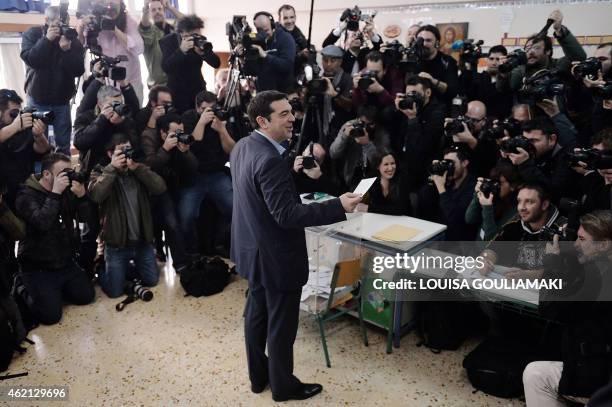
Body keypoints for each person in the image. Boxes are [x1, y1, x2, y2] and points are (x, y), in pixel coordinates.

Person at [230, 90, 361, 402]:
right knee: (281, 327)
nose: (292, 118)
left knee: (256, 317)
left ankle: (258, 377)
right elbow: (287, 214)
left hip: (252, 251)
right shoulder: (269, 160)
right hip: (276, 256)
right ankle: (284, 387)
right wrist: (337, 206)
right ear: (263, 120)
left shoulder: (243, 147)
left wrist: (291, 173)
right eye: (283, 114)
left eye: (291, 111)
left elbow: (258, 193)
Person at [523, 210, 612, 406]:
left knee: (535, 375)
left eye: (581, 239)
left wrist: (551, 264)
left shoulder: (596, 277)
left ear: (603, 245)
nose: (575, 244)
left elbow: (550, 309)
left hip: (598, 380)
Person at [15, 153, 95, 325]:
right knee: (50, 317)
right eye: (63, 173)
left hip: (64, 261)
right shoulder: (25, 195)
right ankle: (22, 284)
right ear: (46, 174)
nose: (67, 176)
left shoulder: (66, 190)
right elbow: (42, 222)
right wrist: (55, 193)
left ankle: (54, 291)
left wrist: (82, 197)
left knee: (86, 296)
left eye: (70, 171)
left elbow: (86, 219)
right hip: (37, 267)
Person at [88, 134, 167, 298]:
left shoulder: (138, 169)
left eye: (129, 149)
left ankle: (126, 271)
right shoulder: (100, 172)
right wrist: (112, 169)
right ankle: (101, 268)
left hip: (142, 242)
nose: (127, 154)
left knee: (152, 281)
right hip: (116, 245)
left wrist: (138, 168)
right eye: (121, 151)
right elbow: (96, 196)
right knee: (114, 292)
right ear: (110, 154)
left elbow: (160, 187)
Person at [20, 6, 85, 155]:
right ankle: (40, 173)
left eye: (65, 23)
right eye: (57, 24)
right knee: (37, 140)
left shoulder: (70, 38)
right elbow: (32, 60)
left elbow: (79, 70)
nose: (62, 28)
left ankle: (63, 171)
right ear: (47, 21)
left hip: (62, 101)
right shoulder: (33, 34)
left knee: (63, 143)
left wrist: (67, 51)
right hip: (37, 98)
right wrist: (47, 40)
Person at [180, 91, 235, 256]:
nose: (209, 112)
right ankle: (192, 252)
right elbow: (191, 145)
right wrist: (202, 123)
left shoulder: (220, 117)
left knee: (236, 208)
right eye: (204, 109)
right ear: (197, 108)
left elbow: (233, 150)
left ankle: (222, 243)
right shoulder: (189, 117)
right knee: (186, 216)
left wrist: (222, 130)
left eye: (212, 108)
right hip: (193, 176)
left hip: (216, 174)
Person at [480, 182, 566, 279]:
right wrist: (486, 259)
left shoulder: (563, 229)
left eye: (529, 201)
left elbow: (566, 272)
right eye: (519, 201)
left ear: (544, 204)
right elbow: (492, 248)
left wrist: (533, 275)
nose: (521, 207)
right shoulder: (515, 222)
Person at [497, 10, 586, 93]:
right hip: (528, 109)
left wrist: (560, 31)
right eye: (527, 49)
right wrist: (503, 74)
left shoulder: (559, 65)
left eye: (536, 48)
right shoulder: (521, 70)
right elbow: (504, 89)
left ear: (547, 51)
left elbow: (579, 57)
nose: (530, 52)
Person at [77, 0, 145, 104]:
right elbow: (79, 46)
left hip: (130, 83)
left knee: (132, 116)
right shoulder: (95, 20)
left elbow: (139, 48)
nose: (109, 9)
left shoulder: (128, 20)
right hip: (106, 83)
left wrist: (114, 28)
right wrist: (81, 27)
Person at [391, 76, 446, 190]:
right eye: (408, 95)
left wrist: (412, 119)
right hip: (403, 163)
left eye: (414, 94)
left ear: (428, 92)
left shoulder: (437, 113)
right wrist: (398, 110)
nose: (411, 98)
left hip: (424, 169)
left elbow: (424, 147)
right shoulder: (408, 107)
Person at [0, 89, 51, 208]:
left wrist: (39, 135)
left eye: (19, 112)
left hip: (25, 189)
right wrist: (14, 127)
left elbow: (42, 150)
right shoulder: (15, 126)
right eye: (13, 113)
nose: (17, 117)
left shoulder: (22, 129)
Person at [160, 14, 220, 113]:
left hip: (197, 91)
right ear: (183, 33)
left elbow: (216, 63)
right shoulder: (168, 41)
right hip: (177, 93)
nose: (197, 37)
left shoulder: (200, 40)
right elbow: (166, 67)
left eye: (198, 34)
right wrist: (181, 51)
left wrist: (204, 53)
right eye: (193, 35)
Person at [418, 146, 479, 241]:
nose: (448, 167)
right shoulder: (446, 180)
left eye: (452, 163)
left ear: (464, 163)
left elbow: (456, 219)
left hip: (459, 240)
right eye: (446, 163)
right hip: (440, 232)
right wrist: (432, 179)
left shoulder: (474, 186)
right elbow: (423, 202)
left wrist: (441, 188)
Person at [329, 105, 390, 191]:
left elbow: (383, 162)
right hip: (353, 174)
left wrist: (367, 144)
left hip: (374, 175)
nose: (365, 128)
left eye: (370, 124)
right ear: (357, 119)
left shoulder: (382, 133)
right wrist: (344, 136)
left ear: (376, 123)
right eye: (363, 123)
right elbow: (333, 154)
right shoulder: (350, 126)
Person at [240, 11, 295, 93]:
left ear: (272, 25)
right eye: (260, 31)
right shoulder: (256, 41)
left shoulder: (285, 38)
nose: (264, 34)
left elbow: (287, 65)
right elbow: (251, 72)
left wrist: (266, 56)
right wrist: (242, 58)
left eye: (266, 30)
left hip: (283, 94)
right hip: (263, 95)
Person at [465, 161, 521, 241]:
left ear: (512, 186)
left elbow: (492, 240)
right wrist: (478, 194)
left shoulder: (516, 212)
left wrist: (487, 208)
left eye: (499, 183)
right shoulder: (491, 198)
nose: (495, 186)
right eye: (494, 181)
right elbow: (469, 219)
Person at [460, 45, 513, 120]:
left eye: (498, 59)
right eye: (491, 59)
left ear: (504, 61)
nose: (494, 63)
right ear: (487, 60)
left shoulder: (509, 80)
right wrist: (468, 66)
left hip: (498, 124)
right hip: (476, 122)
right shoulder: (478, 78)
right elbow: (465, 90)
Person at [139, 0, 184, 88]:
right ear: (149, 13)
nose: (157, 12)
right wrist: (145, 8)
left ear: (164, 11)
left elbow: (186, 22)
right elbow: (144, 26)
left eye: (160, 9)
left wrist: (170, 7)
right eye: (153, 10)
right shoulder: (149, 33)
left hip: (178, 81)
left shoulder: (173, 29)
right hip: (159, 84)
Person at [414, 25, 459, 107]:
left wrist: (433, 81)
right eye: (420, 40)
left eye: (428, 40)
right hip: (415, 105)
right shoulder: (412, 59)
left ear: (437, 43)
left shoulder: (448, 61)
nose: (423, 44)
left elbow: (452, 91)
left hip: (440, 107)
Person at [364, 150, 411, 216]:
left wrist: (369, 209)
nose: (390, 168)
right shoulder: (373, 181)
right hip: (381, 219)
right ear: (378, 166)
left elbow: (400, 210)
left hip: (403, 220)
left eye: (392, 163)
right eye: (386, 164)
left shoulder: (402, 179)